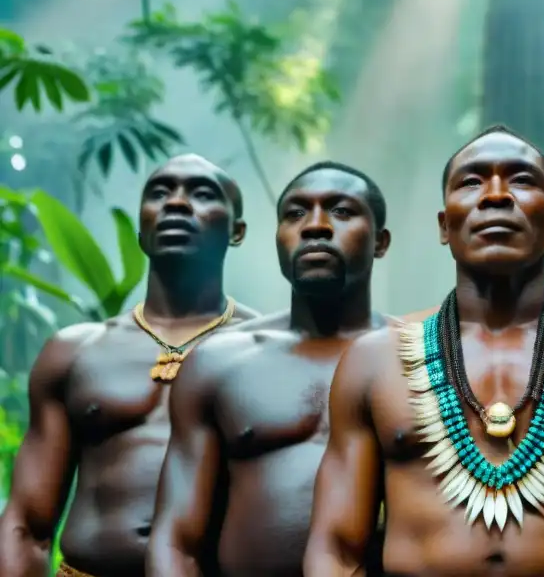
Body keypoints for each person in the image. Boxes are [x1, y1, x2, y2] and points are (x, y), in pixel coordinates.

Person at [304, 125, 544, 577]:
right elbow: (335, 550)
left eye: (522, 180)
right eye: (471, 182)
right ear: (444, 225)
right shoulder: (374, 360)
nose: (495, 195)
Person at [0, 153, 259, 577]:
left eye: (202, 193)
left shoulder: (265, 351)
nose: (176, 203)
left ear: (237, 230)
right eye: (160, 193)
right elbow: (27, 523)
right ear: (142, 229)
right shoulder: (75, 352)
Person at [146, 161, 393, 577]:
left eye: (342, 211)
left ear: (381, 241)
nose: (315, 226)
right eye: (295, 213)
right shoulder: (219, 362)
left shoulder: (417, 358)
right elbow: (176, 539)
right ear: (278, 237)